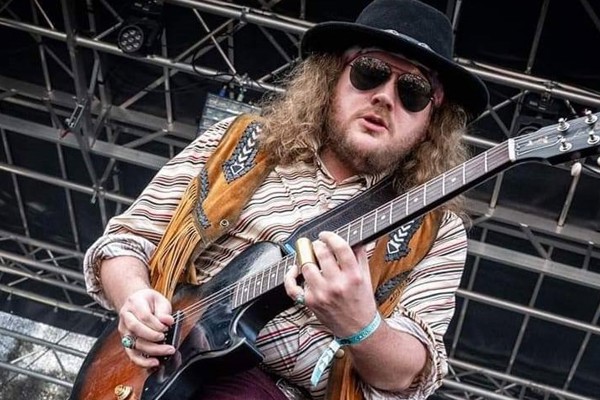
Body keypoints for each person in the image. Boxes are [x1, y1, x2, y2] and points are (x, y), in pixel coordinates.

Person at [82, 0, 488, 399]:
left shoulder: (436, 229)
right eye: (369, 72)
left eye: (413, 90)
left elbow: (410, 373)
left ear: (432, 117)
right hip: (154, 372)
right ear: (333, 76)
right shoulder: (240, 142)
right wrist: (134, 298)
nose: (385, 96)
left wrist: (361, 322)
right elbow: (127, 241)